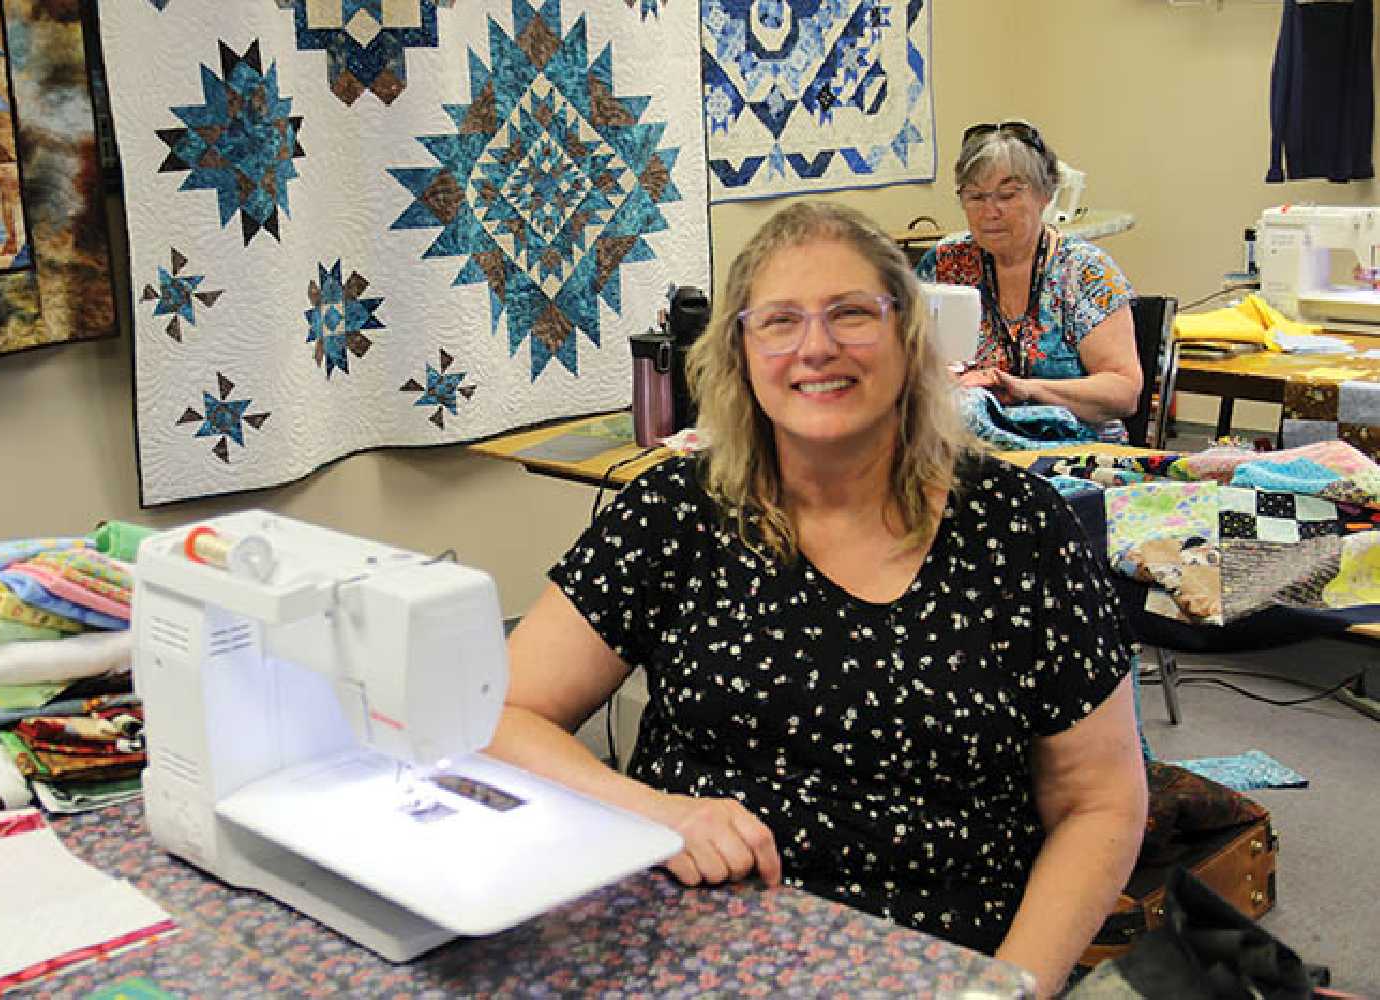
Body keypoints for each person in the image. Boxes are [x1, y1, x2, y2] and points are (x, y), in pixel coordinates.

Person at [487, 201, 1148, 995]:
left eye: (850, 314)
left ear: (909, 339)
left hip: (937, 964)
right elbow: (501, 716)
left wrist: (1007, 988)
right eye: (779, 321)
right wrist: (654, 811)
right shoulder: (677, 511)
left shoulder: (1017, 531)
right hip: (690, 945)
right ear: (738, 351)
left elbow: (1100, 804)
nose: (816, 347)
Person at [917, 121, 1141, 438]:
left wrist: (1024, 389)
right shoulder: (945, 264)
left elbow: (1124, 391)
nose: (990, 211)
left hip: (1073, 447)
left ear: (1045, 196)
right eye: (975, 197)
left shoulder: (1083, 271)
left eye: (1007, 196)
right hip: (970, 443)